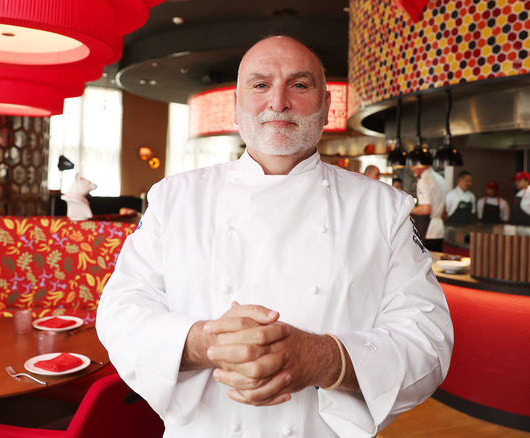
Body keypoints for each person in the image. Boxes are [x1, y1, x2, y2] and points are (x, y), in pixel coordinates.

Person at [96, 35, 453, 437]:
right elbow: (120, 312)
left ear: (326, 107)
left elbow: (428, 341)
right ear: (236, 105)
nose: (278, 101)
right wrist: (207, 342)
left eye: (299, 85)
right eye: (260, 84)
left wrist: (324, 358)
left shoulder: (384, 209)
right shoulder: (173, 197)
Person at [410, 163, 447, 252]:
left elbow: (426, 209)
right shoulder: (440, 178)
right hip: (439, 229)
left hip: (428, 229)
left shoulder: (424, 180)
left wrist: (407, 209)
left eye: (413, 165)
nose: (412, 168)